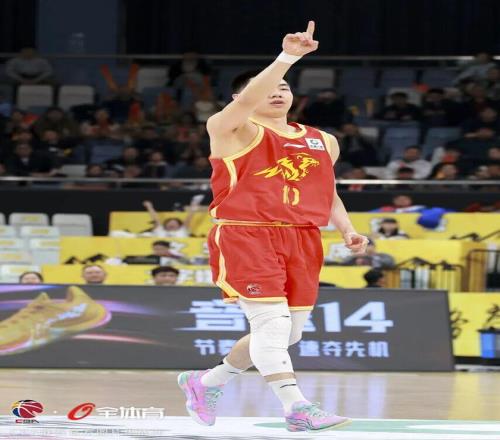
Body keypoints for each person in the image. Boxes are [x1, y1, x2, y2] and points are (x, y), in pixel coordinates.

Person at [177, 21, 368, 432]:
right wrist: (287, 58)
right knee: (272, 324)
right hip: (246, 232)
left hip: (302, 237)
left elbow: (326, 191)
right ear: (241, 98)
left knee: (288, 334)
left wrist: (346, 229)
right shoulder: (229, 129)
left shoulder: (323, 140)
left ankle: (206, 382)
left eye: (285, 87)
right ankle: (296, 407)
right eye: (269, 88)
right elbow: (252, 98)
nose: (278, 92)